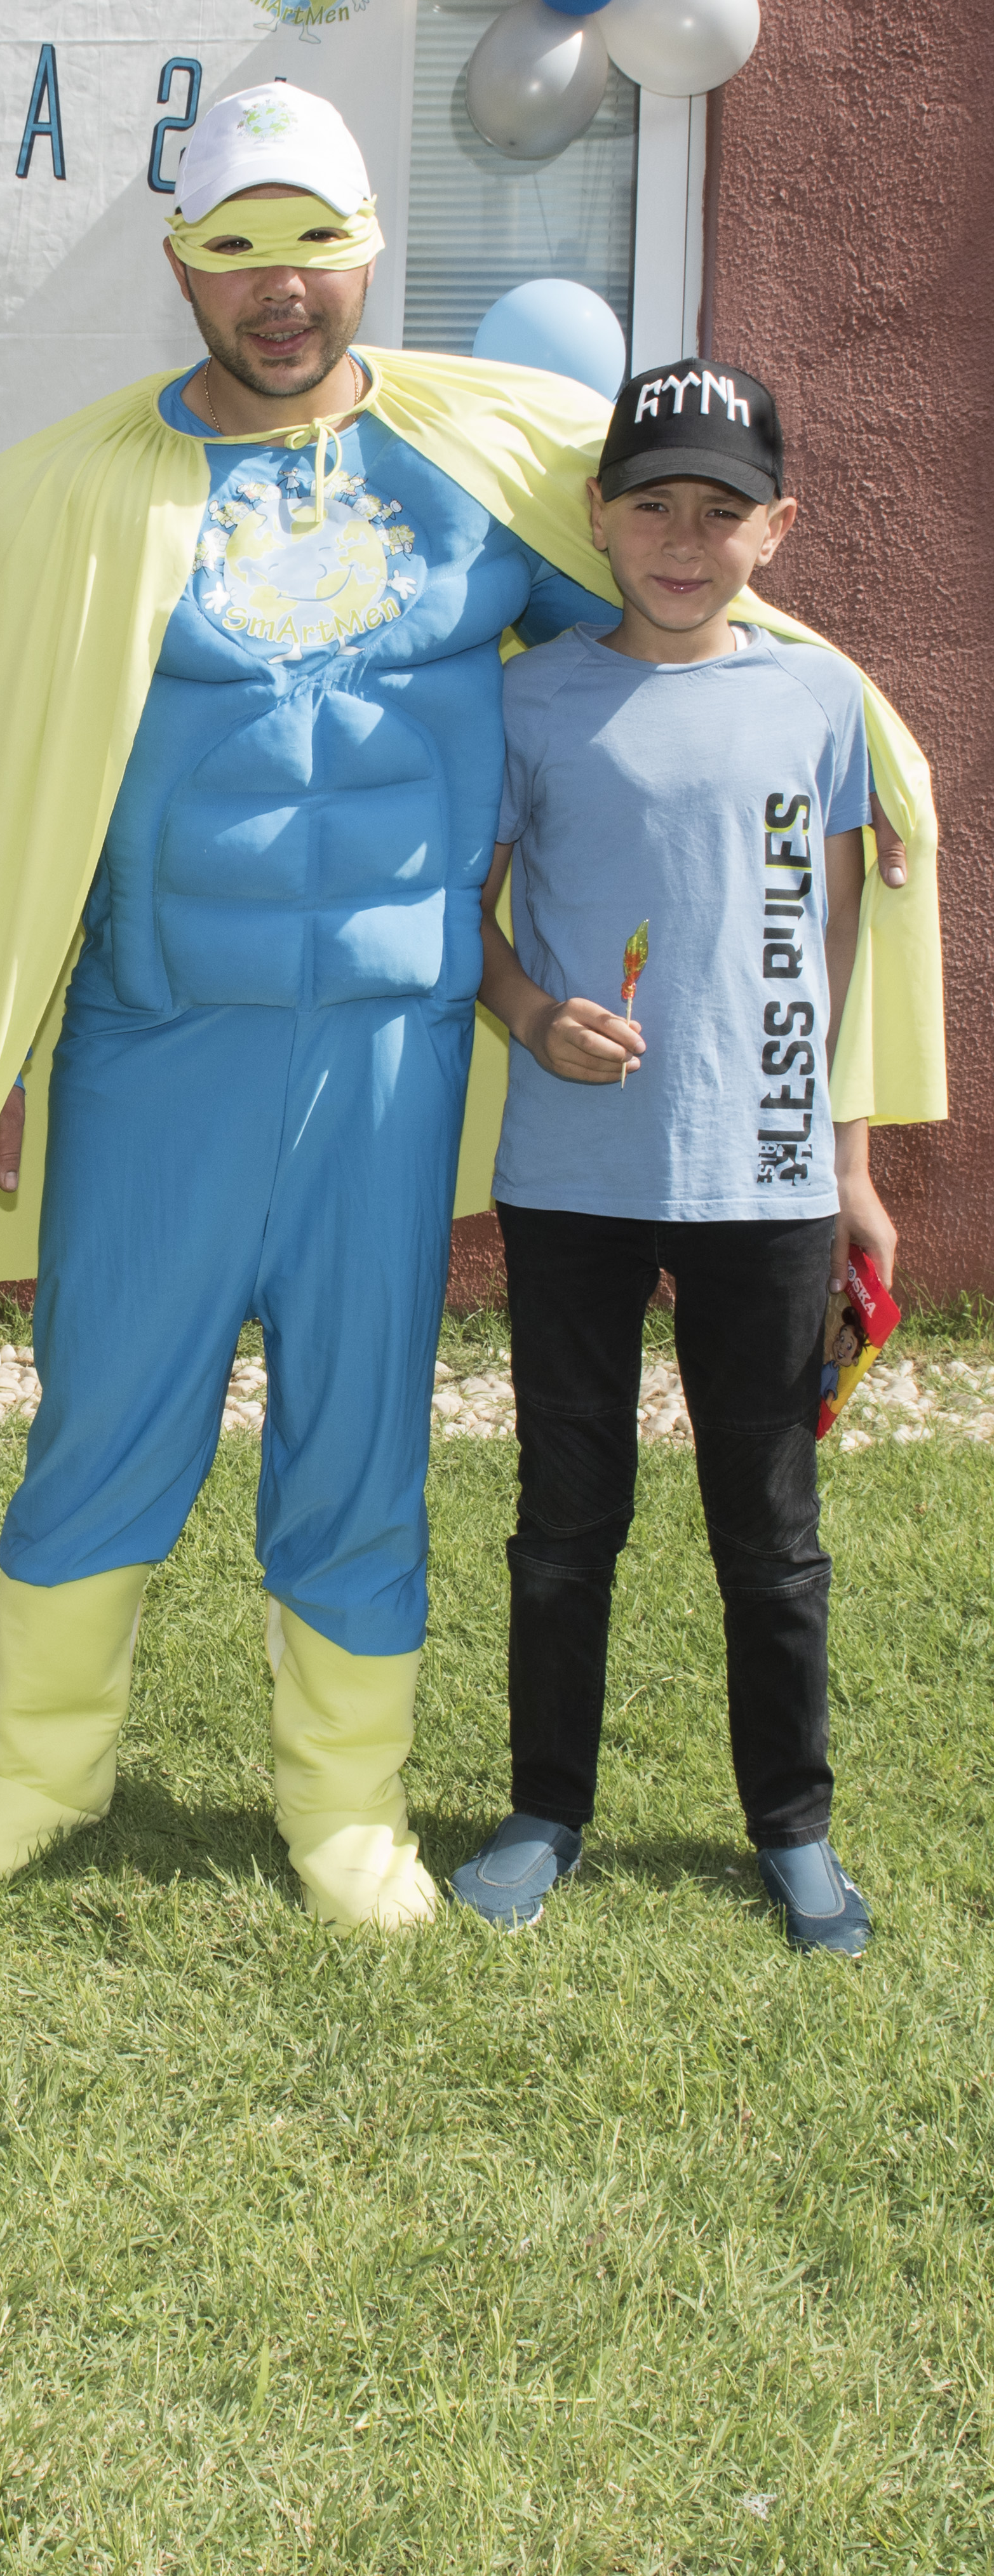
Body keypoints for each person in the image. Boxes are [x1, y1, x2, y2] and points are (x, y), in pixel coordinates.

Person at [0, 85, 942, 1931]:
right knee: (109, 1404)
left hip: (391, 1053)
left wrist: (866, 752)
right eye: (238, 250)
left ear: (370, 254)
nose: (280, 289)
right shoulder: (71, 510)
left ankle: (343, 1803)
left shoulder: (488, 479)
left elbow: (689, 612)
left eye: (315, 247)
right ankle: (40, 1764)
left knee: (359, 1423)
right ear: (181, 264)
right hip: (158, 1040)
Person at [450, 363, 892, 1954]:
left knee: (768, 1530)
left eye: (722, 511)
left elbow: (835, 952)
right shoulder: (532, 698)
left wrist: (847, 1162)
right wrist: (530, 1016)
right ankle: (544, 1810)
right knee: (567, 1514)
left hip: (763, 1177)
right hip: (573, 1175)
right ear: (598, 516)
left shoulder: (819, 704)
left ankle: (794, 1826)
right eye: (654, 506)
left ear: (779, 529)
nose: (685, 540)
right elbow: (466, 909)